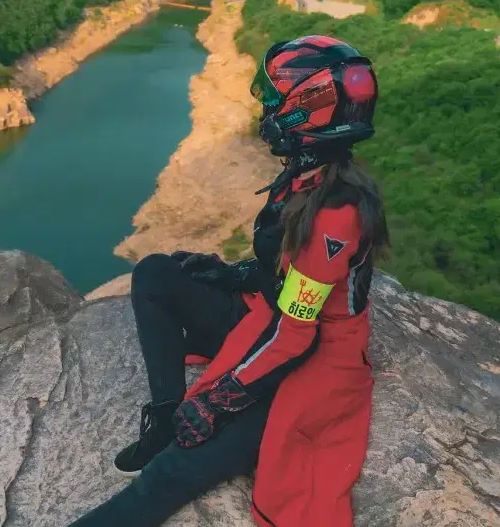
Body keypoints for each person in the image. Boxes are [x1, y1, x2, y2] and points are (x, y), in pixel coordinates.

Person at [69, 34, 389, 527]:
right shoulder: (307, 176)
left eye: (276, 101)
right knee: (156, 273)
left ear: (308, 111)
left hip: (310, 357)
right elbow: (285, 274)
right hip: (274, 318)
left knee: (170, 476)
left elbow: (298, 333)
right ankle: (164, 416)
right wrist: (233, 274)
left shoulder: (334, 214)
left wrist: (223, 398)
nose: (267, 113)